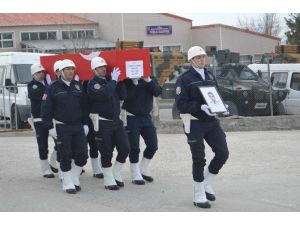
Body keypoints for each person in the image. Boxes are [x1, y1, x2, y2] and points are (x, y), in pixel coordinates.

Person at [175, 46, 229, 208]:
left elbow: (216, 95)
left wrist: (221, 105)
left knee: (223, 153)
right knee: (199, 158)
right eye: (198, 58)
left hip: (211, 122)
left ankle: (206, 182)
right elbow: (181, 104)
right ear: (191, 60)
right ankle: (198, 194)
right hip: (194, 122)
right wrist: (200, 107)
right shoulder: (184, 79)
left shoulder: (210, 74)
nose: (202, 60)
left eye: (203, 57)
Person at [41, 59, 89, 194]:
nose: (70, 71)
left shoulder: (78, 86)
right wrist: (50, 127)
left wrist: (85, 123)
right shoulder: (52, 87)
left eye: (72, 69)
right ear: (61, 72)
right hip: (62, 127)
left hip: (78, 126)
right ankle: (67, 182)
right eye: (67, 69)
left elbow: (85, 107)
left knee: (83, 155)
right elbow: (46, 110)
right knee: (65, 155)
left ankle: (74, 176)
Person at [87, 57, 130, 191]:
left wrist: (121, 81)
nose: (104, 69)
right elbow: (105, 94)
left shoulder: (111, 81)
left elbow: (123, 95)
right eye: (100, 67)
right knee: (106, 151)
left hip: (116, 121)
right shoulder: (93, 84)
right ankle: (108, 178)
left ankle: (116, 171)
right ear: (94, 70)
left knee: (125, 148)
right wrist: (114, 81)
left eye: (104, 66)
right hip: (102, 122)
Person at [122, 75, 162, 184]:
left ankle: (143, 168)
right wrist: (134, 84)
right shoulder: (127, 81)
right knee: (134, 147)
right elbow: (126, 97)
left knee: (153, 145)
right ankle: (135, 173)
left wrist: (148, 81)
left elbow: (157, 92)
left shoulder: (151, 79)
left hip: (146, 117)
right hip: (131, 117)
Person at [27, 64, 55, 178]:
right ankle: (45, 168)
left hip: (51, 117)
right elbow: (41, 95)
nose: (42, 74)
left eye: (42, 71)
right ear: (34, 74)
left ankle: (53, 162)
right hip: (39, 118)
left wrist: (49, 86)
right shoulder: (32, 85)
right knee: (42, 144)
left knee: (60, 141)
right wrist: (49, 86)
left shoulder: (47, 84)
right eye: (39, 72)